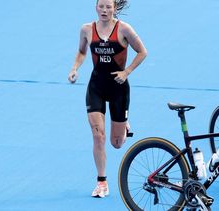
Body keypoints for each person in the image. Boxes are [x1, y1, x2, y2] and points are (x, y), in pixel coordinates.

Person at [68, 0, 147, 198]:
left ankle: (124, 123)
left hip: (119, 88)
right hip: (96, 87)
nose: (104, 10)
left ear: (115, 8)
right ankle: (102, 182)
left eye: (108, 7)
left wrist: (127, 72)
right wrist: (74, 68)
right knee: (98, 135)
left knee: (116, 143)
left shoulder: (124, 29)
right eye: (101, 6)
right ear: (96, 7)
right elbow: (81, 51)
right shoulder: (87, 29)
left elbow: (142, 51)